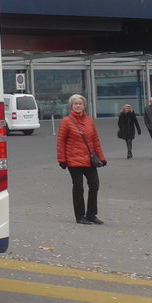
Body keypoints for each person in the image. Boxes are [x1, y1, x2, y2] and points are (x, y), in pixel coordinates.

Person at [56, 93, 108, 225]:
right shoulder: (66, 122)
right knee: (78, 187)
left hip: (89, 160)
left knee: (94, 185)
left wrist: (101, 158)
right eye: (75, 104)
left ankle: (91, 214)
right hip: (73, 160)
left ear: (84, 105)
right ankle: (80, 215)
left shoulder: (90, 121)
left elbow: (95, 140)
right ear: (71, 106)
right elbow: (61, 141)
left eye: (80, 103)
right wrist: (62, 159)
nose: (78, 106)